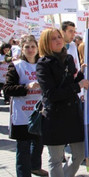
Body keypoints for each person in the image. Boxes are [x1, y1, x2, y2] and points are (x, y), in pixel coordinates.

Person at [36, 28, 89, 177]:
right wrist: (78, 86)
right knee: (56, 160)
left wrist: (81, 73)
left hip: (73, 115)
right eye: (53, 38)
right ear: (46, 43)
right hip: (55, 116)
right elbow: (51, 94)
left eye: (59, 36)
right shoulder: (43, 64)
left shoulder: (69, 58)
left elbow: (71, 80)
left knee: (80, 154)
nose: (58, 40)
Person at [5, 35, 48, 177]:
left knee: (38, 144)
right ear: (22, 49)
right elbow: (7, 89)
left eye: (33, 47)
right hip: (22, 114)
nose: (30, 50)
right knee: (23, 148)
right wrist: (26, 87)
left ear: (37, 48)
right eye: (27, 47)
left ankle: (35, 166)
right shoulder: (16, 66)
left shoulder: (42, 64)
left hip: (39, 112)